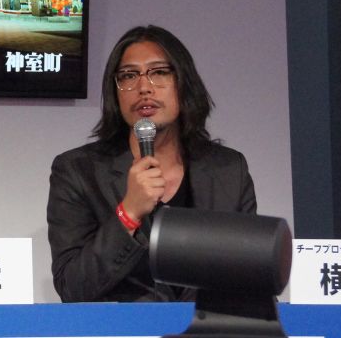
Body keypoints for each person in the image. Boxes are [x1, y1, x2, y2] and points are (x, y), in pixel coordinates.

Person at [47, 25, 256, 302]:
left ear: (183, 82)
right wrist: (128, 213)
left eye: (159, 72)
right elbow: (72, 287)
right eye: (128, 75)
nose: (144, 87)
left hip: (205, 324)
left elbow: (252, 278)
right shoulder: (78, 171)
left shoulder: (229, 170)